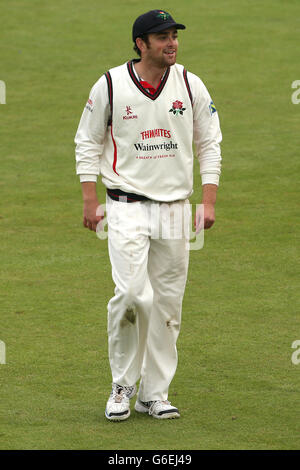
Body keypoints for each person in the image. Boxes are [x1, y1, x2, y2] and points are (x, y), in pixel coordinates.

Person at [75, 9, 222, 421]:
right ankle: (122, 385)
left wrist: (208, 200)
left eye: (174, 35)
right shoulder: (110, 84)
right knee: (132, 296)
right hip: (125, 206)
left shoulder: (191, 85)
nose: (171, 43)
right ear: (141, 43)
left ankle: (154, 393)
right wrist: (90, 198)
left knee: (168, 306)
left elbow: (211, 143)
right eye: (161, 37)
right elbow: (86, 142)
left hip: (176, 210)